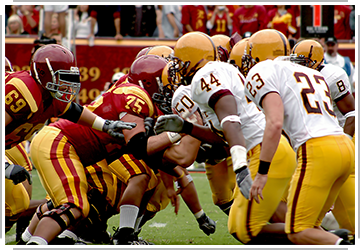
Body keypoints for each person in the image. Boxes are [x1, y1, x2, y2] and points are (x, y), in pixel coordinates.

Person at [154, 31, 297, 244]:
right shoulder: (222, 69)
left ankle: (324, 239)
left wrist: (239, 168)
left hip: (262, 151)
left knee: (244, 228)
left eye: (180, 61)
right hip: (273, 149)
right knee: (271, 217)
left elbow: (230, 119)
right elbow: (222, 136)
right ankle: (323, 235)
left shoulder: (203, 77)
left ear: (192, 58)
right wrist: (187, 127)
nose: (176, 67)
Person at [239, 29, 354, 245]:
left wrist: (262, 173)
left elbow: (275, 123)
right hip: (344, 146)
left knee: (297, 231)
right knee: (311, 227)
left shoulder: (264, 69)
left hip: (318, 150)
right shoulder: (311, 72)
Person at [5, 43, 136, 187]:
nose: (66, 84)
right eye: (62, 77)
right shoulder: (24, 91)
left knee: (19, 203)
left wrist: (106, 125)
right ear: (43, 74)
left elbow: (75, 112)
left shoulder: (48, 95)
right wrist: (4, 166)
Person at [290, 39, 355, 238]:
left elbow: (352, 113)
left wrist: (343, 139)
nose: (297, 66)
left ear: (316, 61)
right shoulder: (294, 77)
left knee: (347, 208)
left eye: (302, 61)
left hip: (338, 139)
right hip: (314, 142)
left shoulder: (333, 75)